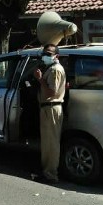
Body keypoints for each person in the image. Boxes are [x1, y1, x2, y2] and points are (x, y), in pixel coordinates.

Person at [33, 44, 66, 184]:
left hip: (51, 108)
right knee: (47, 143)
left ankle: (51, 174)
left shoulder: (55, 70)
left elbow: (51, 92)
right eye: (44, 53)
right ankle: (47, 171)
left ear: (56, 56)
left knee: (51, 143)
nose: (45, 56)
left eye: (49, 53)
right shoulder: (51, 69)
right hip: (47, 108)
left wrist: (40, 79)